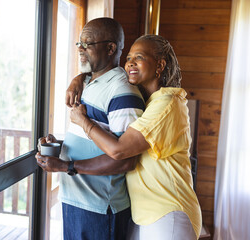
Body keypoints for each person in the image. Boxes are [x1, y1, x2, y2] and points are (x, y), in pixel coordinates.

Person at [37, 34, 202, 240]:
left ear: (159, 65)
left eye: (139, 57)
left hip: (168, 212)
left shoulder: (167, 104)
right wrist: (79, 78)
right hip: (145, 212)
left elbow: (119, 150)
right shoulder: (149, 101)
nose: (130, 62)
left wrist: (83, 122)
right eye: (129, 57)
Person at [37, 17, 145, 240]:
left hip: (100, 209)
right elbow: (91, 139)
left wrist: (67, 165)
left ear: (110, 48)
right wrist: (59, 145)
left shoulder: (122, 92)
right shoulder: (87, 83)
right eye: (79, 43)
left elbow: (125, 159)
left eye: (87, 44)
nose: (80, 49)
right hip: (75, 200)